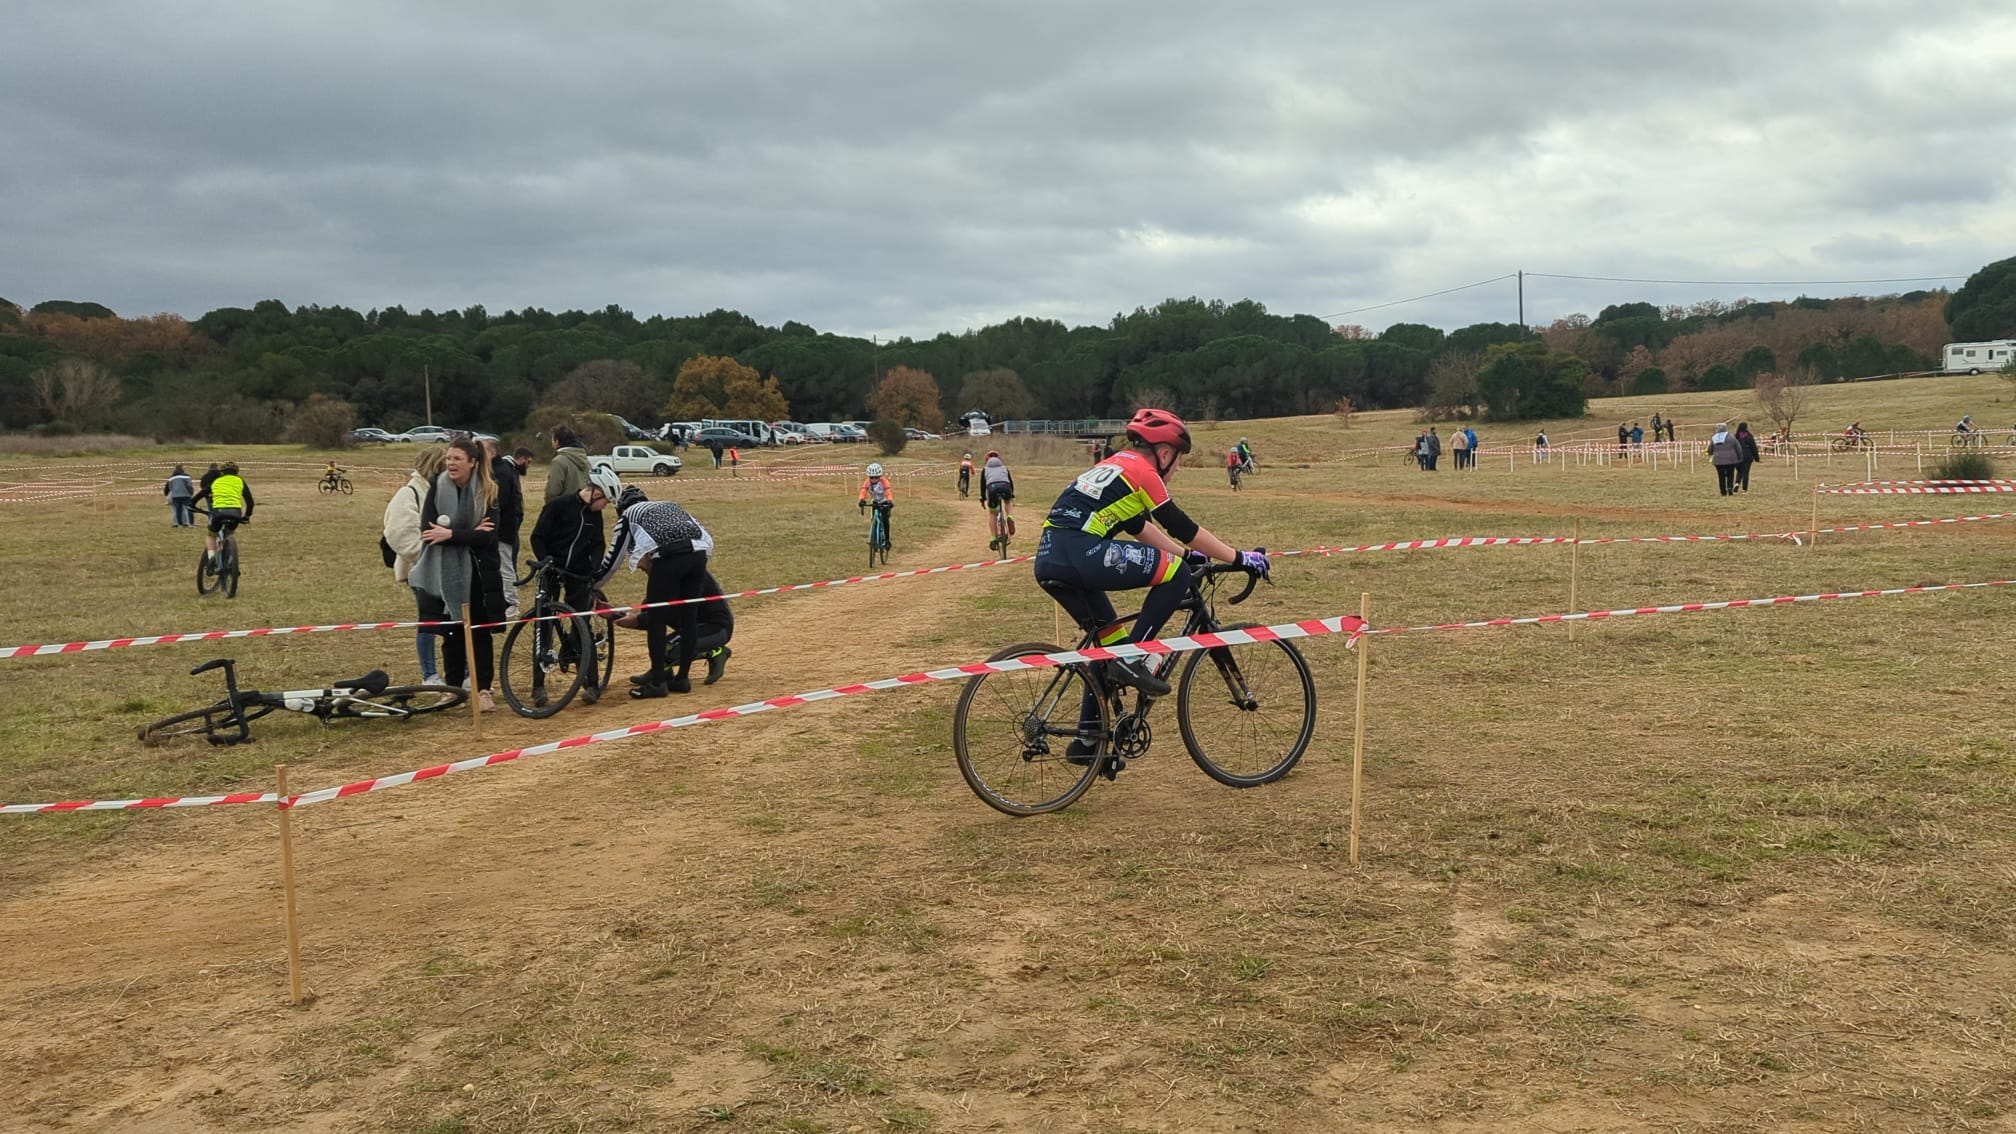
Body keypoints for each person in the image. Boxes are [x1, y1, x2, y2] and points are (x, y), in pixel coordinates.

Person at [1033, 408, 1270, 718]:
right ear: (1165, 453)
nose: (1178, 467)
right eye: (1179, 459)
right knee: (1177, 574)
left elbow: (1140, 528)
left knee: (1110, 648)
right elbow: (1182, 527)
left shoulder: (1115, 465)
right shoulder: (1144, 472)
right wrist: (1239, 557)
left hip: (1050, 556)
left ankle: (1087, 738)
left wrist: (1187, 554)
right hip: (1080, 551)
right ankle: (1134, 658)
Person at [412, 438, 503, 710]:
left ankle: (483, 689)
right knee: (451, 631)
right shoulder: (437, 487)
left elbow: (488, 537)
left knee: (479, 632)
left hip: (479, 573)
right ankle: (452, 689)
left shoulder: (488, 491)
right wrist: (469, 533)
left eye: (457, 459)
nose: (451, 463)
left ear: (472, 462)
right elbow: (428, 531)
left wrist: (451, 534)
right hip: (445, 572)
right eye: (448, 458)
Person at [598, 487, 713, 697]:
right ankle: (683, 679)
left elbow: (613, 558)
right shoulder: (669, 505)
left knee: (656, 619)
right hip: (699, 552)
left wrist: (595, 584)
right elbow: (701, 531)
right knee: (689, 617)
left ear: (620, 509)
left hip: (669, 557)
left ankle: (658, 682)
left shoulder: (628, 515)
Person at [385, 445, 449, 684]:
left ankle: (461, 672)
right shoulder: (409, 493)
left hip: (447, 568)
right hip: (421, 570)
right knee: (428, 621)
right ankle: (429, 674)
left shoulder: (444, 490)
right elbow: (397, 532)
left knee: (453, 620)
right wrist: (424, 558)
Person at [531, 464, 621, 616]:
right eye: (606, 502)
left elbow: (598, 543)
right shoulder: (558, 505)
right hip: (552, 566)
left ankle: (581, 631)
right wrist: (544, 558)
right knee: (545, 614)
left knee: (580, 616)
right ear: (597, 494)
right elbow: (537, 537)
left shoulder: (595, 515)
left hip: (578, 571)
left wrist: (594, 567)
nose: (604, 507)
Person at [623, 568, 733, 686]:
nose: (639, 566)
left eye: (640, 560)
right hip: (693, 623)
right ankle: (663, 670)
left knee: (666, 649)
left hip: (716, 628)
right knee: (649, 605)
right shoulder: (665, 571)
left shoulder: (677, 570)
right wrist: (619, 616)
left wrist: (637, 620)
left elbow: (664, 612)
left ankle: (714, 651)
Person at [484, 438, 525, 620]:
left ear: (492, 453)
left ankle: (511, 602)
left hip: (503, 527)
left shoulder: (500, 472)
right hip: (500, 526)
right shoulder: (496, 469)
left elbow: (499, 501)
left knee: (505, 565)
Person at [191, 461, 254, 566]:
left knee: (211, 534)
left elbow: (200, 494)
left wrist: (192, 505)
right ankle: (228, 556)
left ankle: (211, 557)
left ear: (222, 472)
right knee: (229, 532)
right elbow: (250, 502)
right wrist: (247, 516)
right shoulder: (240, 481)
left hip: (218, 512)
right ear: (236, 472)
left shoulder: (217, 481)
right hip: (235, 513)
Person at [544, 426, 590, 503]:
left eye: (552, 439)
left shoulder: (559, 461)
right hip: (584, 505)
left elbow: (553, 490)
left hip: (564, 506)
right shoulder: (584, 459)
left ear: (557, 441)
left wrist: (550, 505)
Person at [980, 451, 1015, 550]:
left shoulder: (985, 469)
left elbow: (983, 486)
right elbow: (1010, 482)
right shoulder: (1004, 468)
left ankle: (993, 538)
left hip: (992, 489)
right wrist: (1012, 494)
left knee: (992, 513)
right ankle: (1010, 517)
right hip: (1005, 486)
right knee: (1007, 502)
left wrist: (983, 498)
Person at [859, 462, 896, 547]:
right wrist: (861, 500)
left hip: (885, 502)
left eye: (876, 477)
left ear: (880, 476)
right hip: (875, 501)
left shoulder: (884, 482)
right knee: (873, 519)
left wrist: (890, 501)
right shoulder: (867, 482)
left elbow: (888, 492)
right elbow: (863, 491)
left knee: (885, 520)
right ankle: (874, 536)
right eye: (872, 477)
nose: (874, 479)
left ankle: (887, 540)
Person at [1708, 423, 1743, 496]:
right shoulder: (1731, 437)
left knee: (1721, 476)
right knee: (1730, 474)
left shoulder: (1714, 438)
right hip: (1731, 459)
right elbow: (1738, 448)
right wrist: (1740, 457)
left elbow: (1710, 449)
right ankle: (1730, 487)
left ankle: (1723, 491)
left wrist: (1711, 453)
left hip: (1718, 460)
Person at [1734, 422, 1759, 492]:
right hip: (1747, 457)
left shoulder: (1736, 436)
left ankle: (1737, 483)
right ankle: (1744, 488)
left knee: (1739, 471)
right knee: (1745, 473)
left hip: (1738, 456)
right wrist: (1756, 458)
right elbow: (1753, 447)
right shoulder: (1749, 437)